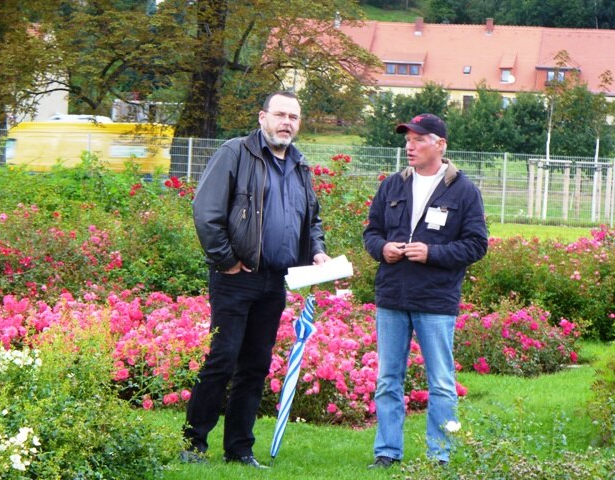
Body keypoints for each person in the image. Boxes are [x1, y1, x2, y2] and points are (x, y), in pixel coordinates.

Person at [181, 91, 331, 469]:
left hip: (275, 281)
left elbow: (310, 220)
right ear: (262, 116)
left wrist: (316, 251)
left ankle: (239, 449)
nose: (287, 123)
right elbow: (206, 211)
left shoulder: (299, 165)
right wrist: (227, 261)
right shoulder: (236, 153)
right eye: (280, 114)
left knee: (256, 365)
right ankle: (193, 442)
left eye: (293, 117)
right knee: (222, 358)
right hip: (235, 279)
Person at [363, 113, 488, 468]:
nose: (409, 145)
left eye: (418, 139)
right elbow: (371, 232)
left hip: (435, 301)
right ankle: (387, 452)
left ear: (440, 145)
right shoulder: (392, 185)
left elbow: (477, 245)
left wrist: (433, 254)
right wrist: (382, 248)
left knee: (442, 384)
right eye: (407, 139)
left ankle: (440, 456)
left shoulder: (463, 190)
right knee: (388, 380)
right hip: (392, 297)